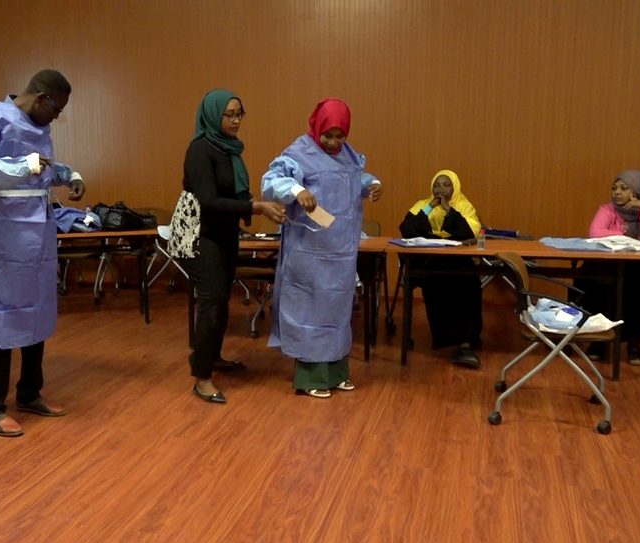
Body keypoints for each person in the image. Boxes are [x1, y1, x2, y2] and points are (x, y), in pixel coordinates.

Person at [0, 70, 86, 437]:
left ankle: (29, 393)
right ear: (40, 98)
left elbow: (40, 171)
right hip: (1, 241)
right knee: (3, 317)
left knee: (36, 313)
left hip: (36, 239)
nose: (56, 118)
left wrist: (68, 174)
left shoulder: (38, 127)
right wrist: (22, 165)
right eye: (56, 110)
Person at [261, 98, 383, 398]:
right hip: (309, 252)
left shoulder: (348, 155)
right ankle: (311, 377)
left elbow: (355, 178)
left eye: (340, 136)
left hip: (340, 252)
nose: (332, 142)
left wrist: (371, 183)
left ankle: (337, 372)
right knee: (311, 312)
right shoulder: (300, 152)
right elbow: (271, 181)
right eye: (328, 135)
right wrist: (297, 189)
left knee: (338, 310)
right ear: (316, 127)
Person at [176, 89, 286, 404]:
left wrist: (261, 204)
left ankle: (213, 357)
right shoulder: (199, 151)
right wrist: (257, 209)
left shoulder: (229, 150)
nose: (236, 121)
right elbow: (209, 201)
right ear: (213, 115)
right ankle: (202, 377)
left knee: (222, 300)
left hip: (223, 233)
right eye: (230, 115)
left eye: (240, 114)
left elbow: (237, 193)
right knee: (210, 303)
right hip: (200, 233)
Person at [575, 170, 640, 365]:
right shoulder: (608, 210)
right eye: (614, 188)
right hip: (608, 267)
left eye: (624, 188)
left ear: (638, 192)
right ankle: (598, 339)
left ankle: (634, 343)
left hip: (638, 271)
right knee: (589, 274)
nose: (617, 193)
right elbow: (595, 232)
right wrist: (628, 238)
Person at [398, 170, 483, 368]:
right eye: (437, 185)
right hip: (431, 260)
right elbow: (407, 229)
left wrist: (447, 210)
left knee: (468, 284)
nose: (441, 189)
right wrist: (431, 207)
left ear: (455, 187)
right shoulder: (422, 205)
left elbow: (469, 233)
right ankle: (444, 338)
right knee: (436, 280)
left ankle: (466, 343)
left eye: (446, 185)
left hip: (459, 260)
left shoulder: (464, 206)